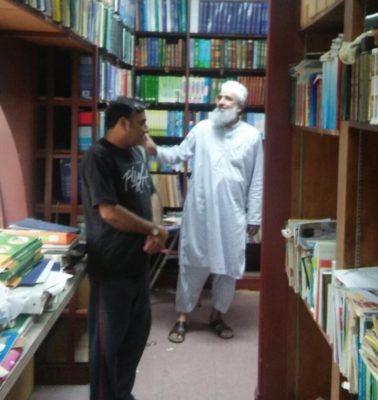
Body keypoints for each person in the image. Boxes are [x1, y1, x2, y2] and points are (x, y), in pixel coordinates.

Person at [143, 80, 264, 343]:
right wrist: (155, 150)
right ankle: (183, 316)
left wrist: (255, 217)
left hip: (232, 214)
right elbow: (178, 155)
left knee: (228, 268)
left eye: (227, 99)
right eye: (219, 97)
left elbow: (257, 180)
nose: (220, 102)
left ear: (240, 107)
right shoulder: (202, 128)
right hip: (199, 210)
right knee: (192, 262)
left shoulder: (252, 136)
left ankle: (217, 316)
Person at [80, 96, 168, 400]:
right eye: (141, 123)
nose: (146, 130)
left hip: (138, 266)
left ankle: (122, 395)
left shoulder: (137, 153)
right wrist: (153, 230)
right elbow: (109, 212)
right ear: (122, 124)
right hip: (112, 268)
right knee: (106, 349)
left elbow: (152, 193)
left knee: (134, 341)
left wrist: (156, 229)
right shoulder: (98, 157)